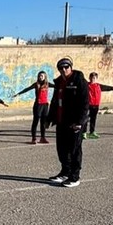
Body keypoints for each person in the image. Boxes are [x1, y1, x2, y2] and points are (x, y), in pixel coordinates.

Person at [46, 57, 89, 188]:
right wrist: (49, 119)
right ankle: (65, 172)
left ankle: (74, 177)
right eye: (61, 68)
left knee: (74, 149)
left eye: (66, 67)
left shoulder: (79, 80)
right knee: (62, 149)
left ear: (71, 67)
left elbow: (85, 103)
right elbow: (54, 102)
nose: (64, 70)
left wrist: (80, 121)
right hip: (61, 121)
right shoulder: (59, 82)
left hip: (75, 122)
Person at [13, 71, 54, 145]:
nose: (40, 77)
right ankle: (34, 138)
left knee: (43, 122)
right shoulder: (36, 84)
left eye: (42, 76)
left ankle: (43, 138)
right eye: (39, 76)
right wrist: (18, 94)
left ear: (45, 77)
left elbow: (57, 86)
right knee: (35, 121)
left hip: (45, 105)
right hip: (38, 105)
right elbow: (27, 89)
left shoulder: (47, 84)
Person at [84, 72, 113, 139]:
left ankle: (92, 132)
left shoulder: (98, 86)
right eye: (91, 78)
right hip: (88, 105)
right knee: (85, 119)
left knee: (93, 119)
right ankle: (83, 133)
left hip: (96, 105)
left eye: (94, 78)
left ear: (96, 79)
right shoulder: (86, 86)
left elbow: (106, 87)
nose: (92, 79)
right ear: (89, 78)